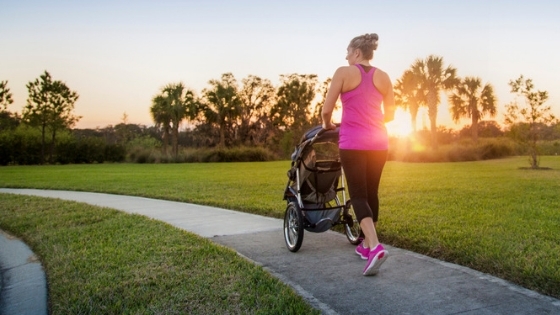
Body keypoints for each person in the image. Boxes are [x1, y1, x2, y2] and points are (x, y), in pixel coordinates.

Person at [321, 33, 395, 276]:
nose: (345, 55)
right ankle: (365, 244)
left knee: (358, 194)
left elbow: (326, 110)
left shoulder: (343, 72)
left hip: (352, 142)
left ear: (356, 52)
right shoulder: (383, 77)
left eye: (347, 51)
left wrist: (326, 125)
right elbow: (391, 115)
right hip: (379, 143)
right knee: (371, 192)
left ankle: (375, 247)